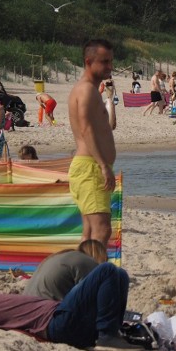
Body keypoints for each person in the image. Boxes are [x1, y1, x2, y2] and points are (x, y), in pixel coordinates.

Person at [0, 263, 141, 351]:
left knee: (119, 275)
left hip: (64, 318)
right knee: (107, 271)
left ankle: (110, 332)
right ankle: (106, 336)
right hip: (57, 322)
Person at [68, 39, 118, 246]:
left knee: (89, 232)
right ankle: (94, 277)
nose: (110, 67)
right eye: (104, 62)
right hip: (91, 167)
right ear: (89, 62)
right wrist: (103, 165)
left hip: (89, 166)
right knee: (101, 230)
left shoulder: (89, 90)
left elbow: (105, 127)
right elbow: (86, 128)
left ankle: (84, 277)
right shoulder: (86, 90)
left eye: (110, 61)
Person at [23, 239, 106, 301]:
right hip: (46, 313)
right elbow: (92, 298)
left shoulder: (62, 256)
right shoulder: (87, 262)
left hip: (26, 308)